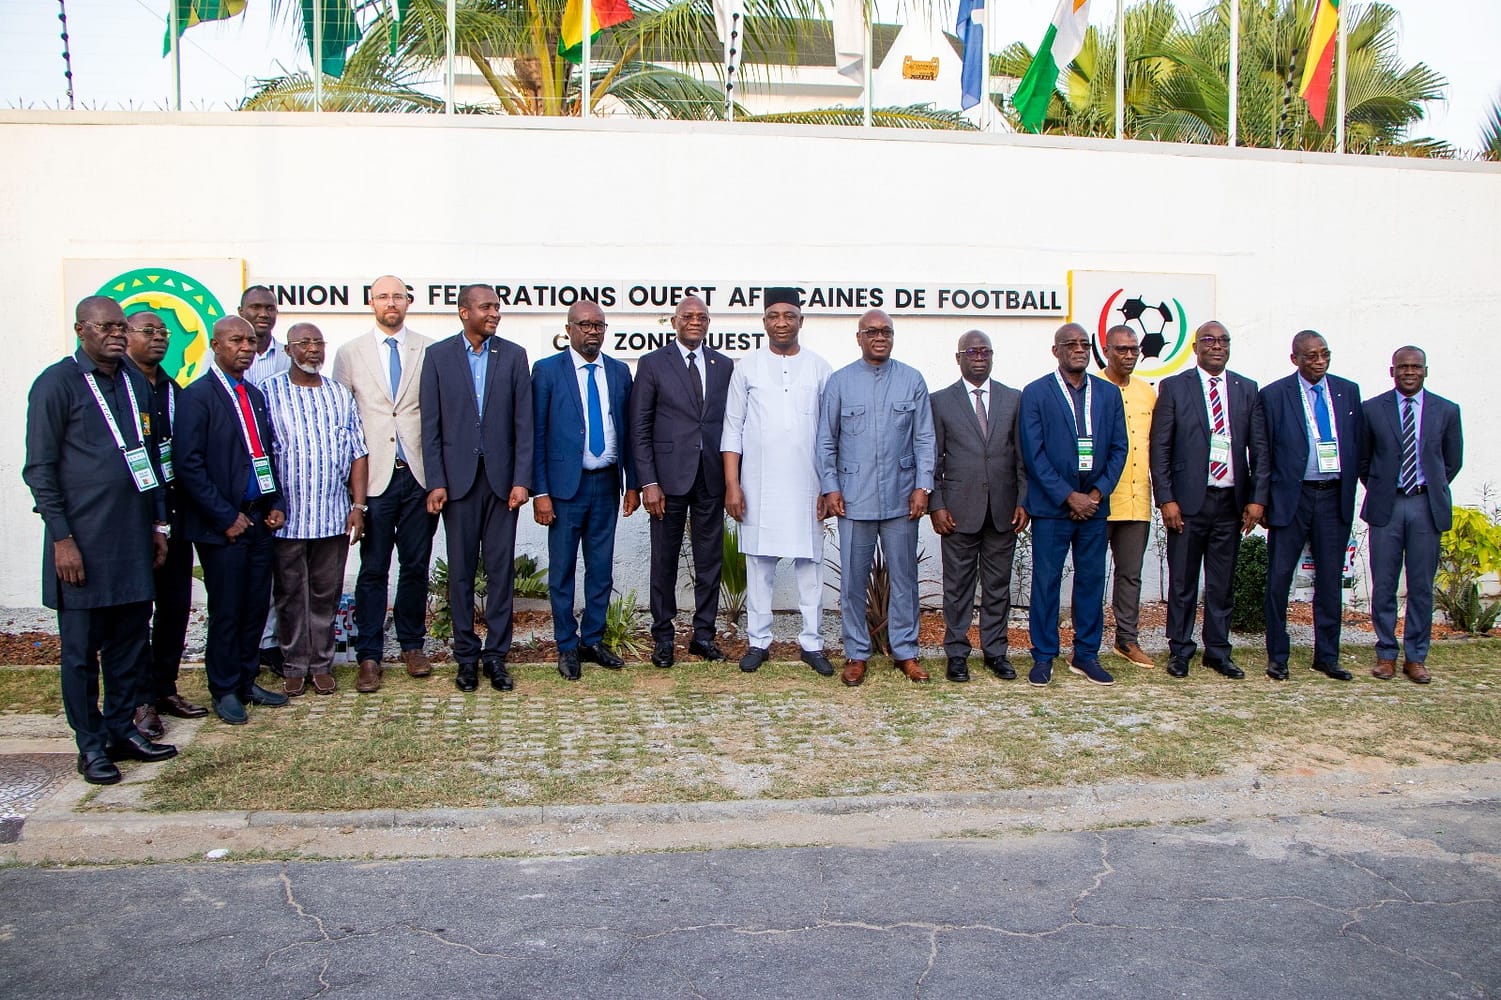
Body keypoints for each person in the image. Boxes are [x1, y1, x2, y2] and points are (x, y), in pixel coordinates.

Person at [23, 296, 175, 784]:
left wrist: (157, 525)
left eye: (121, 326)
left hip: (132, 537)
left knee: (130, 645)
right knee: (81, 652)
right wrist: (61, 538)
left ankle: (119, 730)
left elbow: (148, 460)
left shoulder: (133, 382)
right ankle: (90, 745)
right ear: (80, 329)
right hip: (83, 543)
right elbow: (40, 469)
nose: (115, 333)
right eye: (105, 326)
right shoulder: (55, 384)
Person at [175, 316, 290, 724]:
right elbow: (188, 465)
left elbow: (264, 454)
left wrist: (274, 499)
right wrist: (225, 516)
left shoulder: (254, 394)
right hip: (222, 526)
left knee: (255, 605)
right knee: (226, 608)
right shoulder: (197, 396)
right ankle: (223, 687)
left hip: (258, 520)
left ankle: (245, 678)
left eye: (251, 341)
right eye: (236, 340)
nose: (246, 346)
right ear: (215, 345)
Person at [421, 284, 533, 693]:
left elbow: (525, 424)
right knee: (462, 573)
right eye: (486, 307)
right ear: (463, 311)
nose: (495, 314)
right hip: (458, 484)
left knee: (501, 573)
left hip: (504, 485)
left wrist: (523, 480)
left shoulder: (514, 356)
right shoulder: (438, 357)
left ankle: (496, 656)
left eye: (497, 308)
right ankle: (466, 657)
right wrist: (436, 482)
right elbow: (429, 428)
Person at [818, 309, 936, 687]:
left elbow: (924, 439)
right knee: (853, 580)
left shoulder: (911, 380)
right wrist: (831, 486)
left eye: (886, 331)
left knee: (905, 577)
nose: (879, 336)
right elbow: (825, 440)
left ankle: (906, 651)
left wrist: (923, 487)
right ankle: (856, 652)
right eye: (871, 331)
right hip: (853, 498)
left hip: (903, 498)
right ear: (859, 338)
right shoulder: (840, 382)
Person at [332, 275, 438, 693]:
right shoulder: (349, 353)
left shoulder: (429, 349)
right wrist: (350, 490)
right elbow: (341, 421)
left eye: (397, 296)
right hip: (373, 478)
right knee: (373, 569)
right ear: (371, 302)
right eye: (383, 296)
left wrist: (438, 480)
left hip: (417, 476)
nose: (390, 303)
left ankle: (413, 645)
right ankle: (369, 655)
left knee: (415, 565)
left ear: (408, 302)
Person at [722, 288, 835, 677]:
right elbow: (732, 429)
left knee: (810, 566)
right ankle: (758, 641)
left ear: (801, 320)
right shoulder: (747, 367)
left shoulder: (821, 368)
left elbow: (830, 433)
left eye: (789, 315)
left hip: (808, 485)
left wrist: (829, 486)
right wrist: (732, 485)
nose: (781, 322)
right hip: (759, 485)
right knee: (759, 566)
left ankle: (812, 643)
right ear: (764, 321)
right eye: (774, 315)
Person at [1149, 321, 1269, 679]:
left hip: (1231, 503)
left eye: (1223, 341)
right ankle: (1180, 650)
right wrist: (1166, 498)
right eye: (1208, 341)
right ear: (1195, 348)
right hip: (1186, 505)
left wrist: (1257, 498)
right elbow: (1161, 447)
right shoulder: (1174, 387)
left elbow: (1259, 449)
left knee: (1222, 583)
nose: (1216, 346)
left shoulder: (1246, 389)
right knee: (1183, 582)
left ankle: (1218, 651)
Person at [532, 301, 641, 680]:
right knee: (561, 571)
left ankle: (592, 639)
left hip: (606, 484)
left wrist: (633, 484)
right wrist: (540, 492)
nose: (592, 331)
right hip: (564, 490)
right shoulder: (547, 371)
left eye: (598, 325)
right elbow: (538, 435)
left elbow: (626, 431)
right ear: (569, 329)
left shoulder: (618, 371)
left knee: (601, 569)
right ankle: (566, 644)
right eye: (584, 325)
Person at [1019, 323, 1129, 687]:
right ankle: (1044, 656)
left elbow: (1118, 449)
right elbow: (1033, 455)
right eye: (1071, 344)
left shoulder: (1109, 394)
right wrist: (1069, 496)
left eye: (1084, 344)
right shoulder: (1036, 393)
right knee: (1047, 582)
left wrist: (1095, 495)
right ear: (1056, 351)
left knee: (1091, 581)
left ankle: (1086, 654)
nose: (1079, 349)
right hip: (1053, 508)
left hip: (1094, 509)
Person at [262, 324, 370, 696]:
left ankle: (321, 663)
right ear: (289, 350)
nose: (312, 350)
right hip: (287, 518)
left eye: (318, 343)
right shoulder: (269, 393)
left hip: (332, 515)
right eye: (303, 344)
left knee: (326, 594)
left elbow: (358, 452)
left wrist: (358, 505)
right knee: (290, 595)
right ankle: (294, 664)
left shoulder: (340, 394)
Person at [630, 295, 734, 668]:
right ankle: (663, 637)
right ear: (673, 321)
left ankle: (703, 636)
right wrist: (648, 482)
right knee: (664, 561)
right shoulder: (653, 363)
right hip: (667, 482)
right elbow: (639, 427)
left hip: (710, 477)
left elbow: (729, 424)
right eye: (688, 316)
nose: (695, 321)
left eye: (702, 316)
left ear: (709, 322)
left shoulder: (722, 365)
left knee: (710, 561)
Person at [1260, 330, 1366, 682]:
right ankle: (1278, 656)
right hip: (1293, 497)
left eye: (1324, 354)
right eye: (1311, 356)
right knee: (1278, 580)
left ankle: (1327, 656)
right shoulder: (1275, 395)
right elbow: (1264, 454)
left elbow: (1359, 445)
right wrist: (1261, 501)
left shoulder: (1347, 390)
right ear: (1295, 359)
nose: (1319, 362)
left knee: (1330, 580)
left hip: (1333, 496)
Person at [123, 310, 206, 737]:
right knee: (137, 612)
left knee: (174, 606)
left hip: (175, 515)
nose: (158, 338)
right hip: (134, 519)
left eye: (163, 332)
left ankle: (165, 687)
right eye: (148, 331)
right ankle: (138, 700)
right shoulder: (119, 389)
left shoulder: (174, 390)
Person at [929, 330, 1028, 683]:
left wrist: (1023, 501)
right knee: (957, 588)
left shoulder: (1013, 399)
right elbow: (933, 458)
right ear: (958, 358)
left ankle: (996, 653)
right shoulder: (939, 401)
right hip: (957, 512)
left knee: (998, 587)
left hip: (1003, 510)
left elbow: (1021, 457)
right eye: (971, 351)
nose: (979, 356)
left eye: (985, 350)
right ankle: (956, 654)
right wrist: (935, 504)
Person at [1360, 346, 1463, 684]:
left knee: (1421, 586)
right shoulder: (1372, 409)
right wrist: (1383, 487)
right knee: (1384, 585)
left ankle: (1416, 657)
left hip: (1424, 505)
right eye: (1402, 366)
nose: (1409, 372)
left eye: (1415, 366)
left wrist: (1427, 487)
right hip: (1387, 505)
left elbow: (1452, 461)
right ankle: (1386, 654)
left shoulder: (1446, 411)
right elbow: (1364, 460)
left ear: (1425, 371)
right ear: (1392, 372)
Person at [238, 284, 290, 677]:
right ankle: (244, 649)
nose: (263, 313)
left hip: (277, 471)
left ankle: (270, 644)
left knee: (272, 567)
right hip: (238, 476)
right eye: (255, 307)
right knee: (243, 574)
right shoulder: (221, 354)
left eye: (269, 307)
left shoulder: (285, 358)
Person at [1100, 325, 1157, 669]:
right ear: (1106, 351)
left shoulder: (1147, 393)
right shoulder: (1092, 387)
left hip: (1137, 497)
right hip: (1101, 498)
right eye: (1121, 349)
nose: (1129, 355)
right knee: (1091, 572)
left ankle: (1126, 639)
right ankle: (1087, 640)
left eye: (1134, 349)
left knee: (1130, 574)